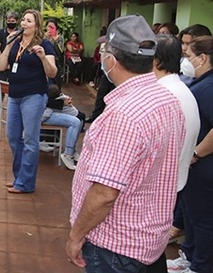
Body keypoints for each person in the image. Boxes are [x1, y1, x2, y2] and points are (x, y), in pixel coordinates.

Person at [66, 14, 185, 271]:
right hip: (148, 240)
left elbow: (104, 194)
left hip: (115, 245)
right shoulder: (167, 100)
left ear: (112, 59)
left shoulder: (123, 114)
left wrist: (76, 236)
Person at [146, 35, 199, 272]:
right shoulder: (180, 89)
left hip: (158, 186)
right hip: (172, 182)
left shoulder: (166, 96)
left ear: (156, 61)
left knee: (145, 248)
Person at [0, 9, 57, 193]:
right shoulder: (15, 43)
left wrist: (43, 57)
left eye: (28, 21)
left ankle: (25, 183)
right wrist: (7, 46)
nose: (23, 23)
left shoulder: (44, 44)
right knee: (13, 136)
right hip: (14, 95)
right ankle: (19, 177)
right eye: (23, 20)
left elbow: (52, 72)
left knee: (30, 139)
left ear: (36, 25)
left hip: (34, 95)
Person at [167, 35, 213, 273]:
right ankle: (190, 256)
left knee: (203, 218)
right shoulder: (202, 82)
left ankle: (201, 266)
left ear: (203, 58)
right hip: (196, 165)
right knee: (191, 213)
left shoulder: (208, 87)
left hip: (204, 165)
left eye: (188, 56)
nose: (185, 61)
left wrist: (195, 154)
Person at [41, 84, 84, 170]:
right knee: (75, 122)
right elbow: (44, 101)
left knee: (80, 119)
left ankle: (71, 151)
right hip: (43, 113)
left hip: (50, 107)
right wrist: (62, 103)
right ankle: (68, 154)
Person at [0, 11, 19, 121]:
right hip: (2, 66)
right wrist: (3, 61)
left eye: (13, 21)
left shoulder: (20, 34)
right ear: (6, 21)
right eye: (9, 21)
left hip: (15, 67)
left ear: (17, 21)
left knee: (15, 89)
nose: (11, 22)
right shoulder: (1, 33)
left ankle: (14, 113)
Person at [45, 18, 65, 87]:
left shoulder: (60, 38)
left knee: (57, 82)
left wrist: (53, 39)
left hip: (57, 61)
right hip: (47, 60)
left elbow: (61, 50)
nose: (50, 28)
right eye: (48, 26)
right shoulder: (44, 37)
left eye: (52, 27)